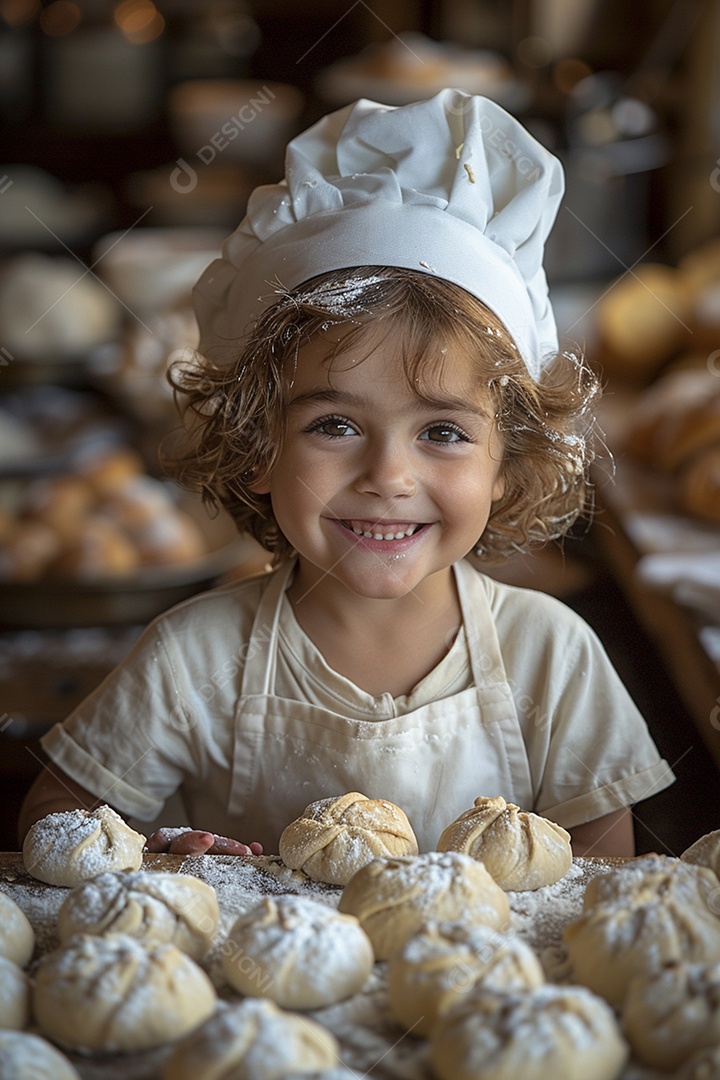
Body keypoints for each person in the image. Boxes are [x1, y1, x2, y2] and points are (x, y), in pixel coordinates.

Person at [19, 89, 674, 859]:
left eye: (442, 432)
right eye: (335, 425)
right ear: (257, 445)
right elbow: (55, 816)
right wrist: (158, 849)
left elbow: (604, 883)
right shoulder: (192, 658)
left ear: (508, 461)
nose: (388, 474)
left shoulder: (552, 657)